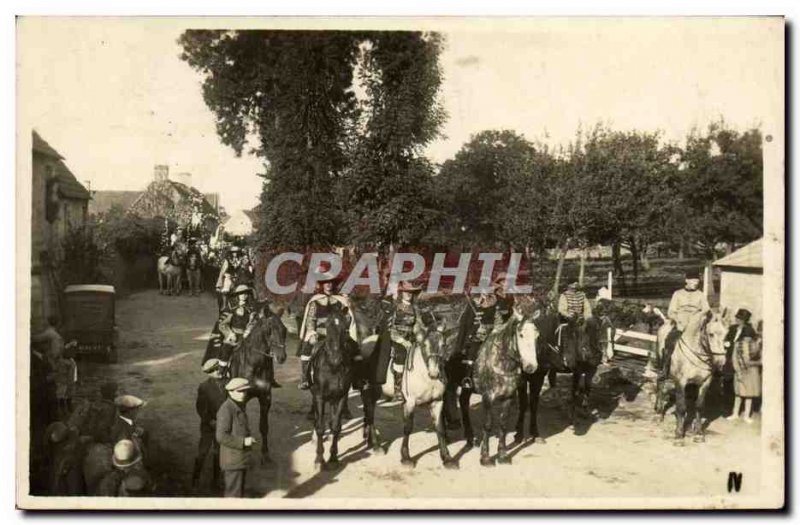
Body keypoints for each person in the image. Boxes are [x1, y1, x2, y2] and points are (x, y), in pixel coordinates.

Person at [297, 273, 354, 390]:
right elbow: (310, 319)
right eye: (326, 283)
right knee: (306, 349)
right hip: (320, 332)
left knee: (354, 348)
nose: (328, 285)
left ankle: (356, 379)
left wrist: (348, 305)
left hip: (337, 333)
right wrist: (312, 332)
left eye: (331, 282)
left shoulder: (340, 300)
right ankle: (305, 378)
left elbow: (347, 317)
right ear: (322, 285)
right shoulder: (315, 301)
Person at [457, 276, 511, 391]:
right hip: (476, 336)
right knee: (472, 352)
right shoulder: (474, 303)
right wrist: (475, 331)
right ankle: (467, 378)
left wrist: (496, 330)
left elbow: (498, 320)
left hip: (492, 335)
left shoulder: (495, 302)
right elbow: (466, 323)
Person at [378, 281, 429, 399]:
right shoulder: (395, 307)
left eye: (411, 292)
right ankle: (398, 388)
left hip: (412, 339)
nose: (409, 294)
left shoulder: (415, 308)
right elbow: (390, 327)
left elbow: (418, 324)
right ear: (401, 292)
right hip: (396, 339)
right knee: (400, 355)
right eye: (406, 291)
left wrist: (421, 334)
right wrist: (402, 341)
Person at [660, 269, 711, 379]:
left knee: (708, 341)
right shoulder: (678, 294)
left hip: (696, 325)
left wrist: (698, 317)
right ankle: (666, 368)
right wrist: (678, 320)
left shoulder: (701, 295)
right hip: (680, 323)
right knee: (669, 340)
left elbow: (706, 309)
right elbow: (671, 311)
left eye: (697, 282)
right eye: (693, 281)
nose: (695, 283)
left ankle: (710, 368)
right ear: (686, 280)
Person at [216, 377, 256, 498]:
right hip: (232, 461)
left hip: (238, 459)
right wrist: (244, 441)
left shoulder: (237, 405)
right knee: (233, 496)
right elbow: (221, 436)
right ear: (230, 392)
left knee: (237, 494)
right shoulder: (226, 409)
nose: (243, 394)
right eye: (240, 391)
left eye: (245, 391)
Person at [192, 359, 227, 490]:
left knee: (219, 454)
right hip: (208, 426)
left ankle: (216, 482)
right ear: (209, 373)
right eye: (214, 370)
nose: (218, 371)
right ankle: (195, 478)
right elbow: (200, 408)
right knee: (202, 452)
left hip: (223, 425)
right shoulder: (204, 387)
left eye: (218, 368)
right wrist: (210, 421)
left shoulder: (227, 383)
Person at [726, 309, 761, 423]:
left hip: (747, 366)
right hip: (732, 358)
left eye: (740, 319)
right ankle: (735, 413)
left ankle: (746, 415)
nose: (737, 320)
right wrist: (726, 343)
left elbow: (753, 351)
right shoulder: (732, 328)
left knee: (748, 392)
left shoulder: (749, 332)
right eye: (737, 318)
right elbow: (727, 339)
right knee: (737, 390)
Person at [110, 394, 149, 460]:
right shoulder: (122, 427)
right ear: (131, 411)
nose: (138, 412)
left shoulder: (127, 422)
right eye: (137, 409)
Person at [215, 246, 242, 312]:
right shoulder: (227, 260)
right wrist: (220, 282)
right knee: (226, 289)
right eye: (233, 252)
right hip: (229, 276)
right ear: (231, 253)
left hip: (238, 276)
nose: (235, 254)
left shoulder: (240, 260)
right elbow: (223, 271)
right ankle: (224, 304)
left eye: (236, 252)